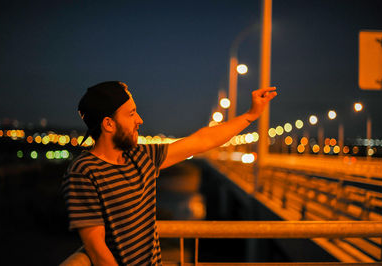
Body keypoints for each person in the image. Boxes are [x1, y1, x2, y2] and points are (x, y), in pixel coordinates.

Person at [61, 81, 277, 266]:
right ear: (108, 124)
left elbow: (203, 140)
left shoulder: (140, 156)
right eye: (131, 113)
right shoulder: (83, 172)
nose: (140, 120)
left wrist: (250, 116)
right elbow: (97, 250)